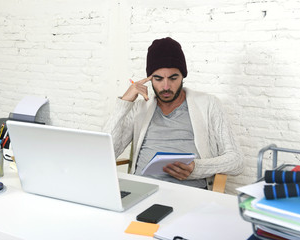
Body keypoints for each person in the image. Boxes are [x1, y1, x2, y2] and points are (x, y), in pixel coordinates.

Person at [103, 37, 244, 190]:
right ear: (149, 79)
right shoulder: (139, 108)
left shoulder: (208, 104)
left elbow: (236, 161)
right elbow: (104, 155)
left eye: (173, 78)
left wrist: (196, 168)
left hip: (189, 193)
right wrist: (124, 103)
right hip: (142, 189)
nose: (165, 86)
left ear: (183, 75)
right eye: (158, 79)